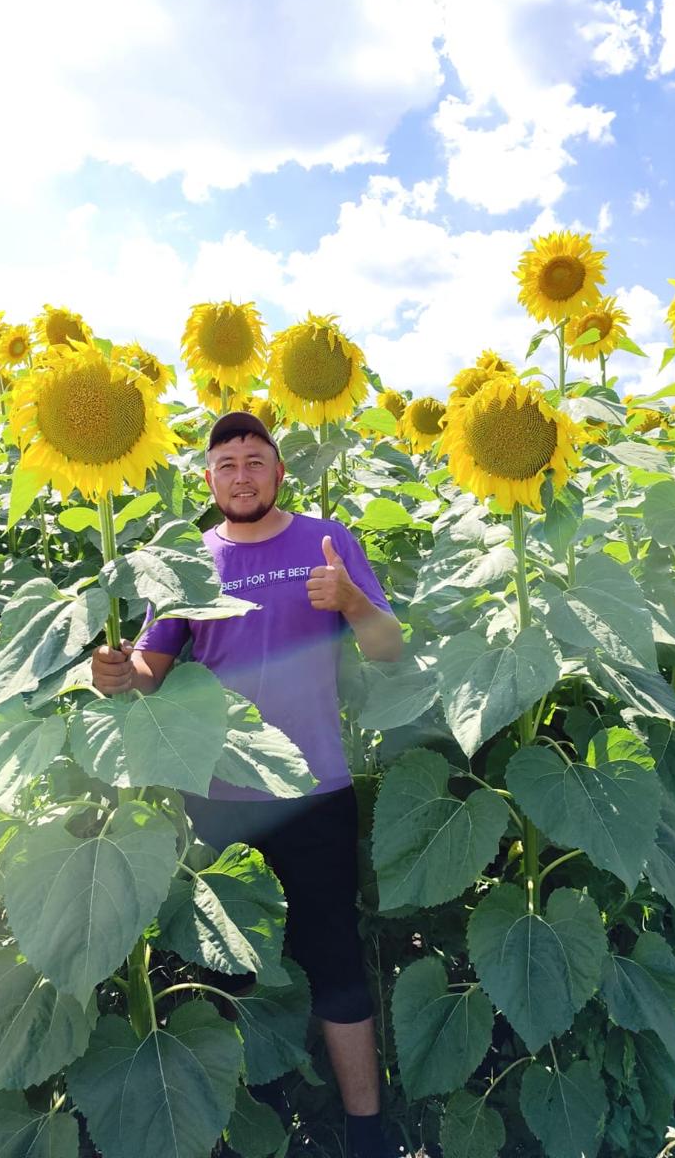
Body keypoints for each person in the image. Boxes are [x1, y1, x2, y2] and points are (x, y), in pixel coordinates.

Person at [91, 410, 403, 1158]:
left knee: (332, 955)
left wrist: (352, 601)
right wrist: (111, 676)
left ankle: (366, 1132)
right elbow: (147, 671)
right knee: (233, 970)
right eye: (226, 464)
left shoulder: (325, 541)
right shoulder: (190, 565)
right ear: (209, 479)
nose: (241, 475)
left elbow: (388, 649)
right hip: (220, 798)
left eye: (255, 460)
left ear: (278, 471)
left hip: (316, 787)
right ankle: (245, 1119)